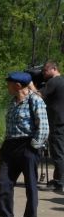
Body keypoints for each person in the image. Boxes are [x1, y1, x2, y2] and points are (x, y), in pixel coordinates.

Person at [0, 72, 49, 217]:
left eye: (8, 84)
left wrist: (33, 147)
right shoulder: (13, 102)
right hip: (10, 146)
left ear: (17, 85)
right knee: (3, 181)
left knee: (30, 184)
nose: (7, 87)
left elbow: (43, 126)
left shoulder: (35, 100)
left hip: (27, 145)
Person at [36, 61, 64, 193]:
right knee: (60, 151)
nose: (43, 73)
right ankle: (58, 179)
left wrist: (30, 85)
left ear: (54, 68)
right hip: (61, 121)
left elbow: (39, 95)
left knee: (58, 153)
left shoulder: (54, 81)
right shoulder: (62, 81)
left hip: (57, 123)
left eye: (45, 70)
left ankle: (59, 182)